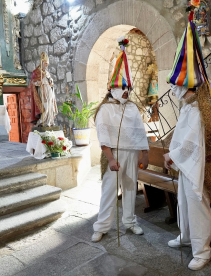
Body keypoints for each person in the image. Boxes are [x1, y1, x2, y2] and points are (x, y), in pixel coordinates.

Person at [163, 20, 211, 271]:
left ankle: (202, 250)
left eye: (179, 86)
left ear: (190, 87)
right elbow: (181, 137)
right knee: (184, 203)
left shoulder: (198, 111)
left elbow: (192, 143)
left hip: (196, 166)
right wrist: (172, 154)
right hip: (186, 165)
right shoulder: (188, 107)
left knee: (197, 204)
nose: (175, 90)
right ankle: (186, 237)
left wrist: (172, 155)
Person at [91, 37, 149, 243]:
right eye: (123, 87)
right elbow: (103, 135)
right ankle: (102, 226)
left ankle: (130, 221)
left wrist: (145, 153)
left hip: (132, 152)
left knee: (131, 187)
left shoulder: (132, 107)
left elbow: (139, 130)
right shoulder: (105, 109)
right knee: (109, 189)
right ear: (113, 87)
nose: (126, 91)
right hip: (114, 154)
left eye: (128, 88)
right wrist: (111, 158)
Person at [30, 52, 58, 127]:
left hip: (49, 90)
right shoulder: (36, 72)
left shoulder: (47, 73)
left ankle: (50, 121)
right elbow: (33, 82)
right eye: (45, 63)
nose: (47, 65)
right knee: (45, 107)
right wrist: (38, 82)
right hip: (42, 91)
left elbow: (50, 82)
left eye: (47, 63)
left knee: (50, 106)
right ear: (42, 62)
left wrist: (51, 83)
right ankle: (42, 121)